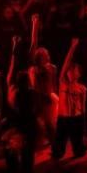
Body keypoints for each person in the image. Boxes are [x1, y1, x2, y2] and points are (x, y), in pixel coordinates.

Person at [1, 35, 38, 173]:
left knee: (12, 147)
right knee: (27, 149)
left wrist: (14, 46)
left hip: (16, 123)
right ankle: (26, 172)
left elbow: (12, 66)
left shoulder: (13, 88)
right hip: (27, 123)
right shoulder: (30, 91)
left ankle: (13, 170)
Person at [51, 37, 86, 160]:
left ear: (79, 73)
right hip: (64, 118)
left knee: (79, 151)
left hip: (77, 118)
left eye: (73, 70)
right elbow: (65, 65)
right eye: (69, 70)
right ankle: (58, 151)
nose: (69, 71)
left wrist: (83, 120)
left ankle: (81, 147)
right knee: (57, 153)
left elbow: (83, 106)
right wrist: (72, 47)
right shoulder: (63, 83)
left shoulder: (82, 88)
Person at [28, 14, 58, 147]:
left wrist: (55, 95)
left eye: (45, 53)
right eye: (41, 54)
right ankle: (44, 142)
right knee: (37, 121)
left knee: (49, 122)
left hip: (47, 97)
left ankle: (55, 145)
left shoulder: (51, 68)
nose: (43, 54)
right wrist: (35, 26)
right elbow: (33, 45)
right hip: (36, 97)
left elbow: (54, 83)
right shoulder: (34, 68)